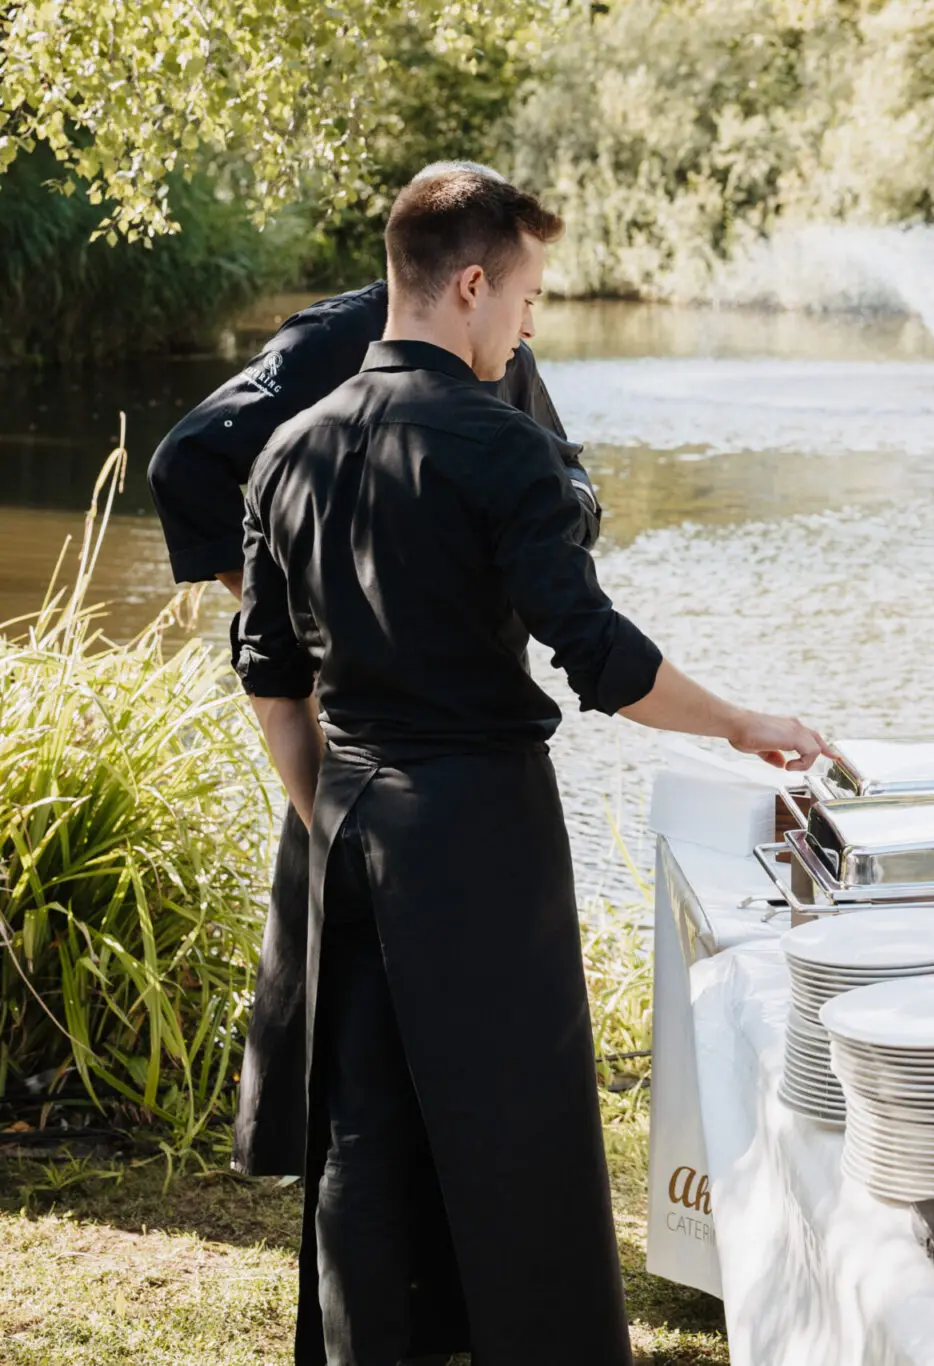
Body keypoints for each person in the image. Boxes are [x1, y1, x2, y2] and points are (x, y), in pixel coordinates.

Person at [235, 167, 826, 1364]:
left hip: (345, 826)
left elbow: (271, 685)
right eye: (527, 297)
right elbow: (598, 656)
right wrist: (737, 721)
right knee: (522, 1133)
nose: (527, 325)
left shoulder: (286, 453)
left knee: (365, 1129)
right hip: (482, 832)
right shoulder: (503, 449)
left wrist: (334, 811)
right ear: (470, 286)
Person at [146, 160, 599, 1179]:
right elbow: (187, 462)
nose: (530, 315)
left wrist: (556, 527)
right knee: (353, 1020)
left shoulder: (502, 345)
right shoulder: (334, 341)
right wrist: (304, 614)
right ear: (461, 267)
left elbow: (560, 475)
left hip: (465, 733)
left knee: (465, 1031)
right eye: (524, 291)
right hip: (355, 724)